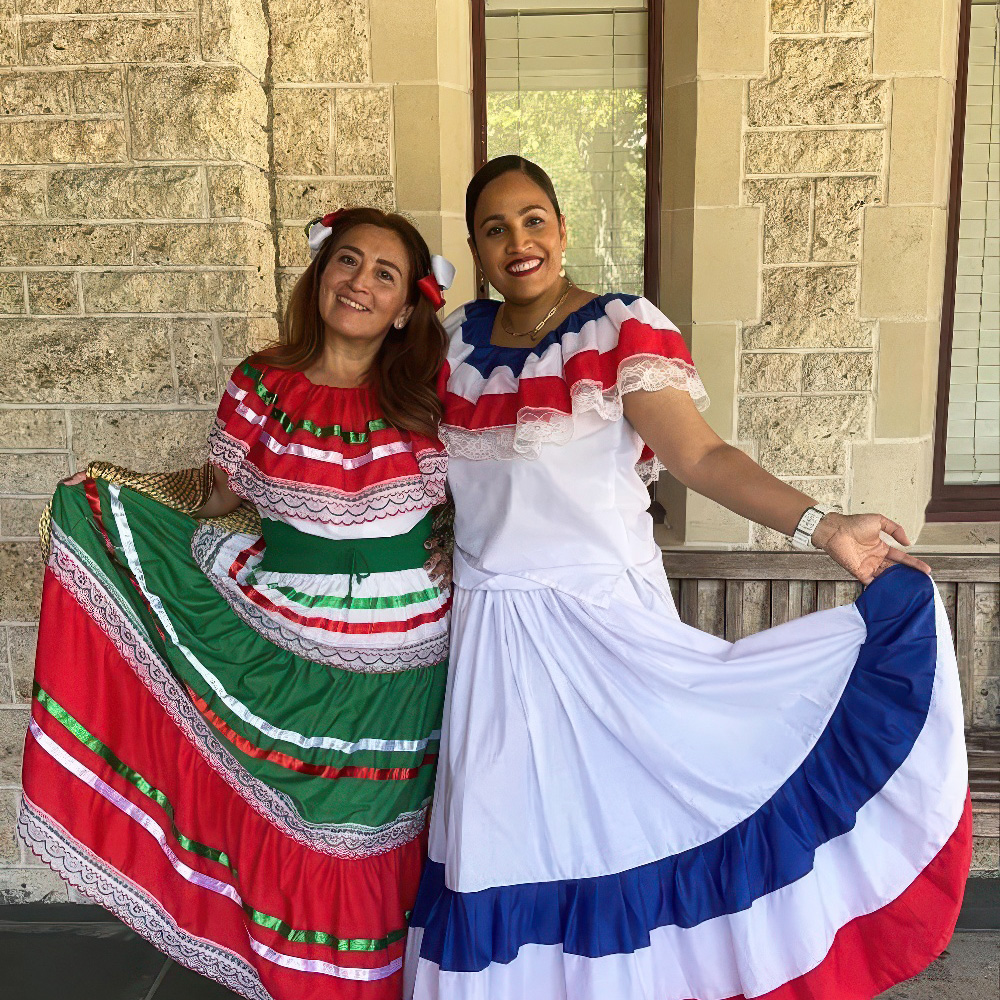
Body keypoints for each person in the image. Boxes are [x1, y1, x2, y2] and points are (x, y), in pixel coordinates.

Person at [404, 156, 972, 1000]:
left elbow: (701, 455)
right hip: (494, 642)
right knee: (505, 842)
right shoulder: (450, 347)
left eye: (533, 220)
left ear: (560, 229)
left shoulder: (617, 329)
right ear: (478, 249)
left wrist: (825, 528)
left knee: (630, 831)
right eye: (495, 228)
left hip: (607, 630)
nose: (518, 241)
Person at [20, 207, 457, 1000]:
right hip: (286, 638)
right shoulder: (263, 382)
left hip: (407, 660)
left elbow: (485, 485)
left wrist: (456, 531)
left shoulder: (434, 389)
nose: (359, 282)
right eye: (347, 262)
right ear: (320, 274)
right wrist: (126, 496)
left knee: (379, 842)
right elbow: (219, 494)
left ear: (407, 306)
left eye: (384, 273)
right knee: (300, 832)